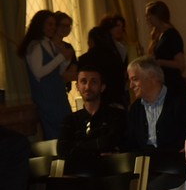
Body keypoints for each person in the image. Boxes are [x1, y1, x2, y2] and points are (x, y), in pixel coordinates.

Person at [124, 56, 186, 152]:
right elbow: (131, 144)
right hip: (145, 160)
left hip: (175, 159)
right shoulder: (135, 109)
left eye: (134, 79)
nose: (131, 86)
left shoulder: (182, 103)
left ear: (152, 76)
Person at [18, 10, 73, 139]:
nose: (53, 28)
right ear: (40, 24)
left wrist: (66, 60)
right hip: (47, 97)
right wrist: (60, 57)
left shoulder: (49, 43)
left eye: (54, 24)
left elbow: (57, 72)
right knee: (56, 131)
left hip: (58, 95)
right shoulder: (35, 45)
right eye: (50, 24)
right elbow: (38, 72)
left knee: (68, 128)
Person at [58, 65, 127, 158]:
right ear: (77, 86)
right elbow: (63, 150)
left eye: (93, 82)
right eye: (84, 81)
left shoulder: (116, 116)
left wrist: (78, 146)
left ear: (102, 87)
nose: (88, 86)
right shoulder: (70, 120)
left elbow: (112, 143)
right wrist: (97, 150)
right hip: (79, 167)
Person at [144, 1, 186, 99]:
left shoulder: (172, 35)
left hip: (173, 84)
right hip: (163, 83)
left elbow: (180, 64)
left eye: (149, 15)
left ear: (157, 16)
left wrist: (159, 62)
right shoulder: (159, 35)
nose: (147, 19)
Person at [78, 25, 128, 109]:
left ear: (91, 40)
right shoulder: (115, 56)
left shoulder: (85, 58)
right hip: (116, 101)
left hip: (94, 101)